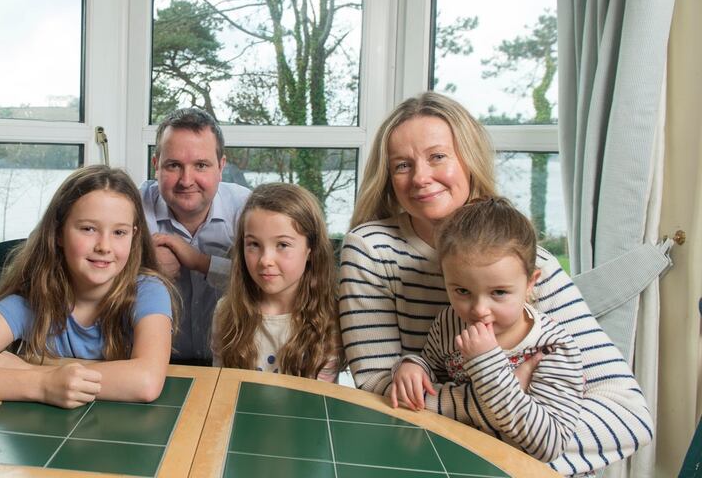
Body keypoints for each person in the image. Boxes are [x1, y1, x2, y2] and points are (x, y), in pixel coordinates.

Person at [339, 92, 652, 476]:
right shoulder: (372, 249)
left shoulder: (529, 262)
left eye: (438, 156)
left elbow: (629, 416)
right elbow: (378, 388)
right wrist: (503, 397)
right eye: (402, 165)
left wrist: (517, 428)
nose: (420, 177)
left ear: (468, 159)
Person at [0, 165, 178, 407]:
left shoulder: (148, 291)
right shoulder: (30, 301)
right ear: (59, 233)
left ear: (134, 236)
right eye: (87, 229)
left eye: (119, 232)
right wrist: (43, 386)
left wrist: (30, 370)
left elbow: (146, 381)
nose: (104, 246)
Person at [394, 197, 583, 463]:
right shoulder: (450, 323)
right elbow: (429, 377)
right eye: (462, 291)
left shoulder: (552, 348)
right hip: (460, 459)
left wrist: (487, 363)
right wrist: (414, 367)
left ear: (531, 283)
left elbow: (547, 445)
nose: (479, 310)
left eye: (499, 292)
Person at [141, 108, 250, 364]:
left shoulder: (249, 210)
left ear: (221, 167)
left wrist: (202, 261)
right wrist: (140, 265)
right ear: (156, 165)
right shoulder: (127, 207)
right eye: (174, 166)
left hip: (230, 365)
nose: (186, 180)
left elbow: (273, 282)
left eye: (201, 165)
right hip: (153, 364)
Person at [212, 183, 343, 381]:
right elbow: (221, 388)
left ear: (311, 250)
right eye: (254, 244)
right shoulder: (226, 313)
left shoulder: (332, 317)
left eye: (282, 244)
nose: (265, 260)